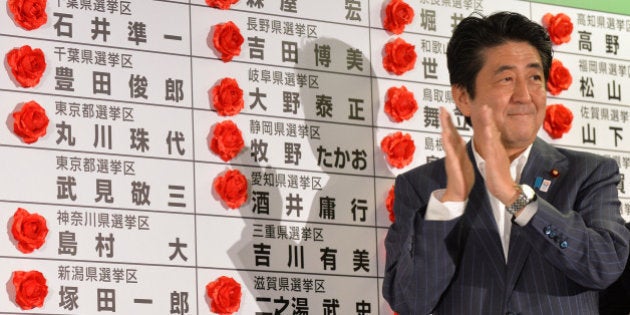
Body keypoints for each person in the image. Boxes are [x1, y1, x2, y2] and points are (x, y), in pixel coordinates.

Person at [382, 11, 630, 315]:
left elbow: (604, 265)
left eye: (534, 78)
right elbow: (409, 301)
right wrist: (448, 209)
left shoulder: (588, 173)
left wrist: (518, 200)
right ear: (463, 97)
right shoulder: (424, 186)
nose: (524, 95)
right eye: (507, 79)